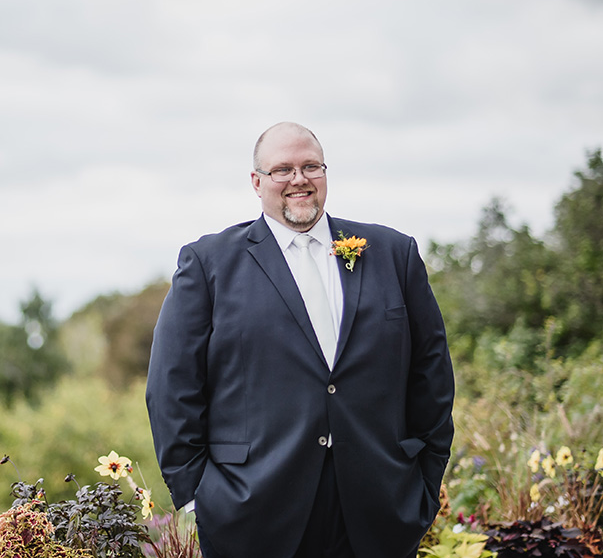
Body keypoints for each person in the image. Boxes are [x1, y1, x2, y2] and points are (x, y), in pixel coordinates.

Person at [145, 122, 455, 558]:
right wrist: (199, 496)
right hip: (251, 514)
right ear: (257, 182)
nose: (299, 180)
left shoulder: (393, 253)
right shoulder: (208, 264)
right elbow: (171, 387)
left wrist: (425, 481)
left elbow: (432, 374)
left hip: (378, 509)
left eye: (311, 166)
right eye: (282, 170)